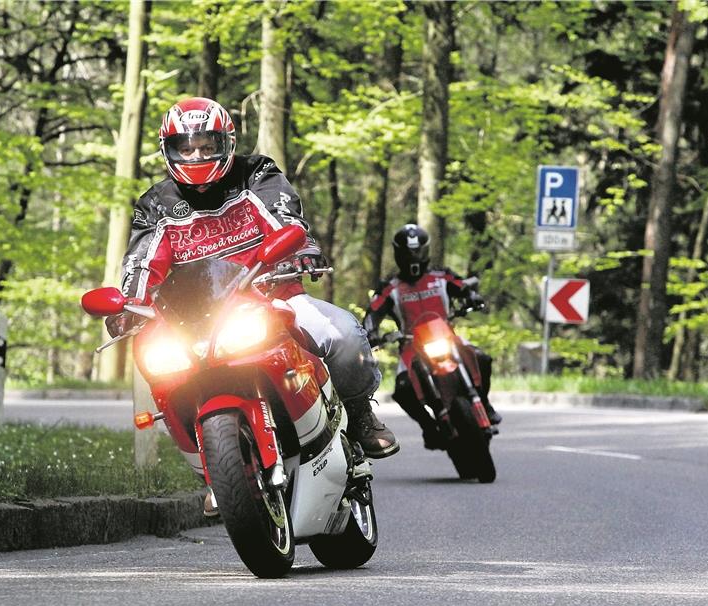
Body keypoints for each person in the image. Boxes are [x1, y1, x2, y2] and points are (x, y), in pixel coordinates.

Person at [107, 97, 398, 513]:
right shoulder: (156, 203)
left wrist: (300, 249)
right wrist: (128, 304)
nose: (196, 156)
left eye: (207, 146)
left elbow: (282, 214)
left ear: (226, 142)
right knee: (160, 367)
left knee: (342, 333)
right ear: (167, 150)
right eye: (185, 148)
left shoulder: (255, 173)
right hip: (194, 321)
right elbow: (141, 259)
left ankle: (359, 412)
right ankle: (216, 470)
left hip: (272, 297)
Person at [363, 223, 501, 450]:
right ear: (398, 253)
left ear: (426, 250)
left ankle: (484, 404)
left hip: (448, 339)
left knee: (482, 358)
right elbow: (373, 312)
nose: (413, 256)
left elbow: (463, 287)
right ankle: (428, 426)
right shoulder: (390, 288)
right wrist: (370, 332)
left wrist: (473, 297)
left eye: (417, 251)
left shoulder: (441, 277)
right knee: (403, 388)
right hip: (412, 348)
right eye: (408, 252)